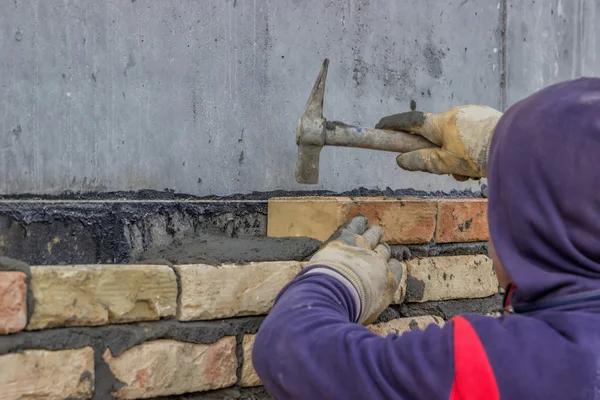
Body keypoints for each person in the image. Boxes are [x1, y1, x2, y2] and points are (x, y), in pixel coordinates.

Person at [252, 77, 600, 399]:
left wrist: (338, 279)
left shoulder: (497, 368)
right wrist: (514, 142)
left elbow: (287, 349)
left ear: (526, 229)